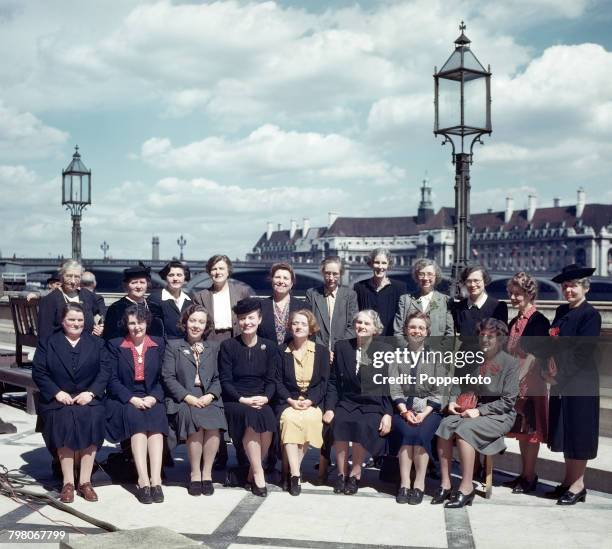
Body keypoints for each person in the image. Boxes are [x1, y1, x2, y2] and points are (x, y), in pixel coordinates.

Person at [434, 318, 519, 508]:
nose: (485, 340)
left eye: (491, 336)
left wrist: (479, 411)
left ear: (501, 339)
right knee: (444, 426)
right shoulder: (473, 357)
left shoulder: (510, 363)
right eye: (482, 335)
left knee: (465, 430)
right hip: (471, 408)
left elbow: (508, 401)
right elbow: (458, 383)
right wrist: (453, 401)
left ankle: (466, 487)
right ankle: (446, 484)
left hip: (499, 414)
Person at [32, 303, 110, 503]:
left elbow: (105, 371)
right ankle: (68, 482)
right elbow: (39, 373)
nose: (76, 324)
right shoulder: (47, 343)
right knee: (64, 419)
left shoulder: (97, 343)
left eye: (80, 320)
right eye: (71, 320)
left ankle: (85, 482)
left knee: (93, 416)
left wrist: (91, 393)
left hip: (88, 397)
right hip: (59, 399)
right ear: (62, 321)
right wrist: (57, 392)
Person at [545, 264, 601, 505]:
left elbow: (583, 352)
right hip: (561, 381)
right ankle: (568, 482)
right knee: (565, 430)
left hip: (580, 382)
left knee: (579, 432)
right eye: (565, 286)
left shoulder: (590, 315)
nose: (568, 290)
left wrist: (558, 375)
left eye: (573, 286)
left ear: (585, 288)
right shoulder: (560, 311)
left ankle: (578, 484)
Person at [323, 310, 393, 495]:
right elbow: (332, 382)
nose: (361, 326)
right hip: (347, 401)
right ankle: (340, 473)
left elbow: (389, 385)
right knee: (340, 422)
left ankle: (355, 474)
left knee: (363, 425)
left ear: (375, 329)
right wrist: (329, 408)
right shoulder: (342, 347)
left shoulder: (385, 350)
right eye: (359, 322)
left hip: (372, 403)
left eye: (367, 324)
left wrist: (388, 414)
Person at [162, 305, 228, 496]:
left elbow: (219, 377)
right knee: (195, 423)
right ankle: (195, 473)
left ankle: (207, 473)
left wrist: (210, 395)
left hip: (208, 397)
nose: (196, 325)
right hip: (184, 399)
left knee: (214, 423)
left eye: (201, 322)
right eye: (193, 321)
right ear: (185, 322)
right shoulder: (173, 346)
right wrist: (188, 397)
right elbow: (168, 377)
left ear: (206, 326)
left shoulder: (214, 347)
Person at [106, 305, 168, 504]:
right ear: (126, 324)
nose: (136, 327)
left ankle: (156, 479)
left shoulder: (158, 344)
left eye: (140, 322)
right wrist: (131, 398)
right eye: (132, 323)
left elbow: (163, 377)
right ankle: (143, 480)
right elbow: (112, 380)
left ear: (146, 323)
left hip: (151, 395)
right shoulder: (115, 345)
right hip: (127, 397)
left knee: (156, 425)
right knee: (138, 425)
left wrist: (154, 397)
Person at [218, 298, 279, 497]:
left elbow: (272, 380)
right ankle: (259, 473)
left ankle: (253, 470)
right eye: (242, 318)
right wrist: (243, 399)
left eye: (251, 318)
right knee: (252, 418)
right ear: (238, 321)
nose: (247, 322)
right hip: (236, 400)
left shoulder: (269, 347)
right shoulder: (228, 346)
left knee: (268, 418)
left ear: (259, 320)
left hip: (261, 398)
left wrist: (266, 398)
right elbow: (226, 381)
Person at [390, 312, 448, 505]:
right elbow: (395, 387)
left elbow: (439, 390)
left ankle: (419, 484)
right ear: (406, 330)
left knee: (421, 435)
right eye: (413, 327)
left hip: (428, 410)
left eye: (421, 328)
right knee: (407, 432)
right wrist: (404, 411)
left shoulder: (437, 357)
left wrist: (423, 414)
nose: (417, 331)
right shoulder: (396, 356)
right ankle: (405, 483)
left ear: (427, 331)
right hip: (403, 408)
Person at [503, 272, 550, 494]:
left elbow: (533, 355)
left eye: (518, 294)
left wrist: (518, 378)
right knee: (522, 432)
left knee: (531, 433)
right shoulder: (515, 320)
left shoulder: (538, 320)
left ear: (529, 294)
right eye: (511, 294)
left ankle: (530, 476)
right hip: (516, 382)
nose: (513, 298)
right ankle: (524, 474)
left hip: (531, 384)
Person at [275, 309, 329, 495]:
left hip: (311, 402)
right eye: (295, 323)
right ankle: (296, 474)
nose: (299, 327)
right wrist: (290, 400)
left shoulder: (321, 351)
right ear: (290, 326)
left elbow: (324, 383)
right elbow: (278, 381)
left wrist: (311, 401)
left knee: (310, 420)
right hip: (288, 401)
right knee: (290, 421)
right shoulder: (281, 351)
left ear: (310, 328)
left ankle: (290, 471)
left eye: (303, 324)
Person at [37, 260, 104, 341]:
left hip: (87, 345)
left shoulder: (87, 295)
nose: (73, 281)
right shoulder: (50, 300)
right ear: (61, 277)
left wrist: (101, 325)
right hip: (61, 347)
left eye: (76, 277)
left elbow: (100, 303)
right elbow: (44, 335)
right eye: (69, 276)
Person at [192, 255, 253, 342]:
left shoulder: (241, 292)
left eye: (221, 268)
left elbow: (249, 318)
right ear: (209, 273)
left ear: (228, 271)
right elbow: (196, 323)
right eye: (214, 269)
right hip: (210, 341)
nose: (218, 272)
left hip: (236, 338)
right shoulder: (200, 297)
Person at [305, 256, 358, 353]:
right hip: (318, 351)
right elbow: (309, 325)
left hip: (342, 351)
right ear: (322, 273)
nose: (331, 278)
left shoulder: (350, 295)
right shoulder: (312, 294)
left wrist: (336, 349)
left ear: (341, 274)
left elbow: (353, 327)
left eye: (335, 274)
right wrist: (324, 351)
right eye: (327, 273)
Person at [393, 258, 454, 341]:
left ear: (436, 277)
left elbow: (449, 333)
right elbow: (398, 332)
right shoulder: (405, 300)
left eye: (430, 274)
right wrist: (407, 351)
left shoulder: (445, 301)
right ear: (416, 277)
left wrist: (439, 352)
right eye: (421, 274)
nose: (425, 278)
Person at [353, 248, 406, 336]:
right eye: (377, 262)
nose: (380, 267)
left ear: (389, 265)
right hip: (365, 339)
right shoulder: (359, 287)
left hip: (389, 340)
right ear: (371, 264)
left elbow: (402, 318)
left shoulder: (399, 288)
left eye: (384, 263)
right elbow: (355, 315)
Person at [452, 265, 508, 341]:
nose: (472, 285)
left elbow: (502, 338)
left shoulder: (498, 307)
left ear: (485, 282)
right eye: (469, 281)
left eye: (476, 281)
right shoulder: (458, 308)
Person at [103, 265, 155, 341]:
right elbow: (110, 338)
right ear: (126, 285)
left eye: (142, 282)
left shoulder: (155, 307)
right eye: (134, 283)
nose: (138, 286)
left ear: (147, 284)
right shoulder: (116, 308)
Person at [258, 263, 302, 345]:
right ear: (272, 280)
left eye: (285, 278)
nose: (281, 281)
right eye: (277, 277)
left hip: (294, 356)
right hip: (267, 355)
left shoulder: (302, 307)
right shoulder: (260, 306)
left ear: (291, 284)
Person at [148, 261, 193, 339]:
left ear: (184, 277)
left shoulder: (191, 299)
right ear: (165, 277)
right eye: (171, 275)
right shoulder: (154, 299)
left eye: (179, 275)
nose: (175, 278)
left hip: (186, 346)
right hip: (164, 347)